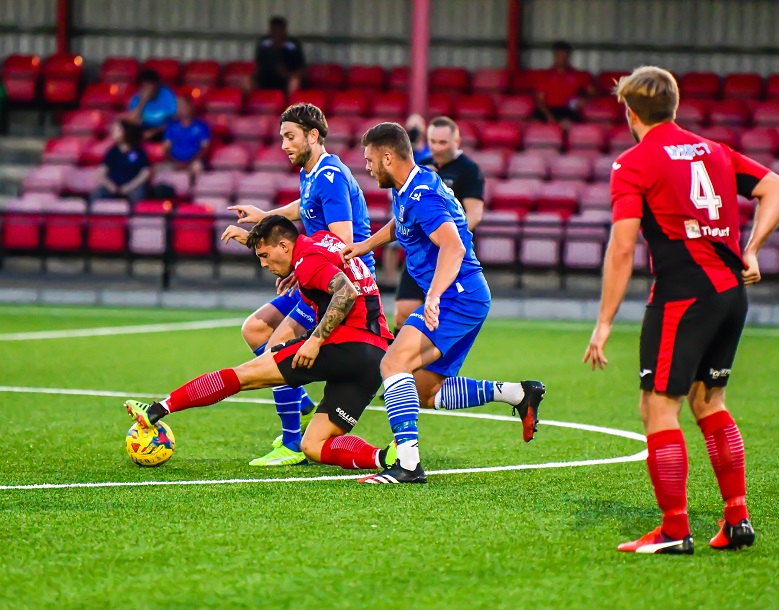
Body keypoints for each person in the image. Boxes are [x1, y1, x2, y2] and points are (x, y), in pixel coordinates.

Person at [582, 66, 779, 554]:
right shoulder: (714, 151)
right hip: (729, 292)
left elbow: (621, 248)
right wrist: (753, 247)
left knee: (658, 407)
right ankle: (736, 520)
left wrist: (604, 321)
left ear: (630, 112)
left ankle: (675, 530)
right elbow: (777, 189)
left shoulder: (633, 163)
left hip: (682, 294)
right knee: (708, 402)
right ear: (674, 106)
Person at [343, 123, 546, 484]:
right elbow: (400, 223)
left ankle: (407, 464)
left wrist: (433, 296)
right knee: (424, 390)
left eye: (370, 160)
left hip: (457, 296)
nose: (368, 167)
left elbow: (453, 246)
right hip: (466, 296)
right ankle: (518, 393)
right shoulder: (410, 185)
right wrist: (365, 245)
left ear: (388, 157)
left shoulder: (423, 195)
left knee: (393, 363)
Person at [126, 216, 397, 472]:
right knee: (313, 445)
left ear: (284, 246)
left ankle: (157, 409)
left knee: (244, 375)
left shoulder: (309, 260)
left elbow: (346, 292)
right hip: (375, 354)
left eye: (264, 256)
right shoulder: (322, 242)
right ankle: (385, 457)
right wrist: (300, 275)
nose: (264, 264)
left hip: (345, 341)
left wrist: (315, 340)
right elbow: (330, 266)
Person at [220, 103, 376, 466]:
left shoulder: (331, 177)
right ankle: (297, 399)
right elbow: (305, 206)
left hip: (341, 283)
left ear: (313, 136)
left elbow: (342, 240)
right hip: (317, 271)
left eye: (290, 137)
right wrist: (268, 217)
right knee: (256, 329)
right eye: (281, 138)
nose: (284, 145)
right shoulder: (314, 172)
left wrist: (301, 260)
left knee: (275, 349)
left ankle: (292, 444)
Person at [393, 116, 485, 334]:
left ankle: (422, 363)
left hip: (448, 253)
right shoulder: (422, 167)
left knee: (438, 317)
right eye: (433, 142)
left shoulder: (469, 170)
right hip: (420, 252)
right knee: (403, 310)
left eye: (443, 143)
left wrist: (447, 238)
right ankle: (398, 365)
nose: (437, 147)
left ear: (457, 141)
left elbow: (475, 214)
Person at [532, 40, 594, 126]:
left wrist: (583, 100)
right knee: (536, 122)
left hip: (568, 111)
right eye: (559, 55)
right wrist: (549, 117)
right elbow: (540, 101)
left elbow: (592, 93)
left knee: (568, 124)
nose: (562, 59)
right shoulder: (544, 76)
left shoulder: (580, 76)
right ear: (554, 56)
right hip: (549, 110)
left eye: (565, 56)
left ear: (569, 56)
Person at [90, 120, 151, 206]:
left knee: (138, 194)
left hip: (133, 186)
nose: (113, 133)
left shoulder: (139, 151)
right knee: (97, 193)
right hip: (112, 186)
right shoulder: (112, 151)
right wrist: (110, 186)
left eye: (117, 130)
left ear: (126, 132)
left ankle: (134, 218)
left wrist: (129, 187)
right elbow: (101, 172)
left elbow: (145, 173)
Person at [162, 96, 210, 182]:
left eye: (184, 106)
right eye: (179, 106)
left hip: (194, 162)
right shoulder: (171, 126)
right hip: (174, 162)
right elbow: (166, 149)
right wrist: (175, 162)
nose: (181, 109)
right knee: (160, 171)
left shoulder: (202, 126)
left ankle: (192, 192)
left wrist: (190, 162)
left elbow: (205, 148)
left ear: (190, 107)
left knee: (197, 167)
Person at [255, 15, 306, 94]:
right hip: (266, 78)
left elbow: (302, 69)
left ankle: (289, 105)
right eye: (274, 30)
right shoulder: (264, 43)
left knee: (294, 82)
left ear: (284, 31)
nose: (276, 34)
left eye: (279, 30)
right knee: (247, 81)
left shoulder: (293, 44)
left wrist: (288, 74)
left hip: (286, 78)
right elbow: (258, 64)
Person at [126, 68, 177, 140]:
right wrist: (142, 102)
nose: (148, 90)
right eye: (145, 86)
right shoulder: (137, 98)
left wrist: (154, 131)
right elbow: (132, 121)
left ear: (157, 85)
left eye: (150, 86)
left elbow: (175, 120)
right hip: (144, 129)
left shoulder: (167, 95)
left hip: (162, 129)